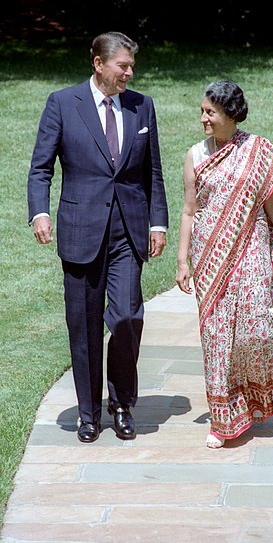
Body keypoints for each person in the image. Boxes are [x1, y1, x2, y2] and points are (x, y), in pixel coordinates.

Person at [28, 31, 168, 443]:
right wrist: (39, 211)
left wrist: (156, 223)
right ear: (98, 64)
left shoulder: (142, 106)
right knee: (84, 325)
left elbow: (152, 172)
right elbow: (41, 168)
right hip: (80, 230)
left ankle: (122, 404)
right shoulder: (62, 103)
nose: (129, 73)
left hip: (128, 231)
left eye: (131, 67)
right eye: (122, 65)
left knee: (127, 317)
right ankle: (88, 413)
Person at [176, 80, 273, 449]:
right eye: (201, 111)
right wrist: (182, 260)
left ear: (230, 115)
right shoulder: (195, 155)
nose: (203, 119)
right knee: (216, 339)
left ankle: (253, 401)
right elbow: (188, 210)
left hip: (251, 253)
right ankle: (223, 419)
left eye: (210, 112)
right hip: (208, 260)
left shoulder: (258, 151)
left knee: (256, 331)